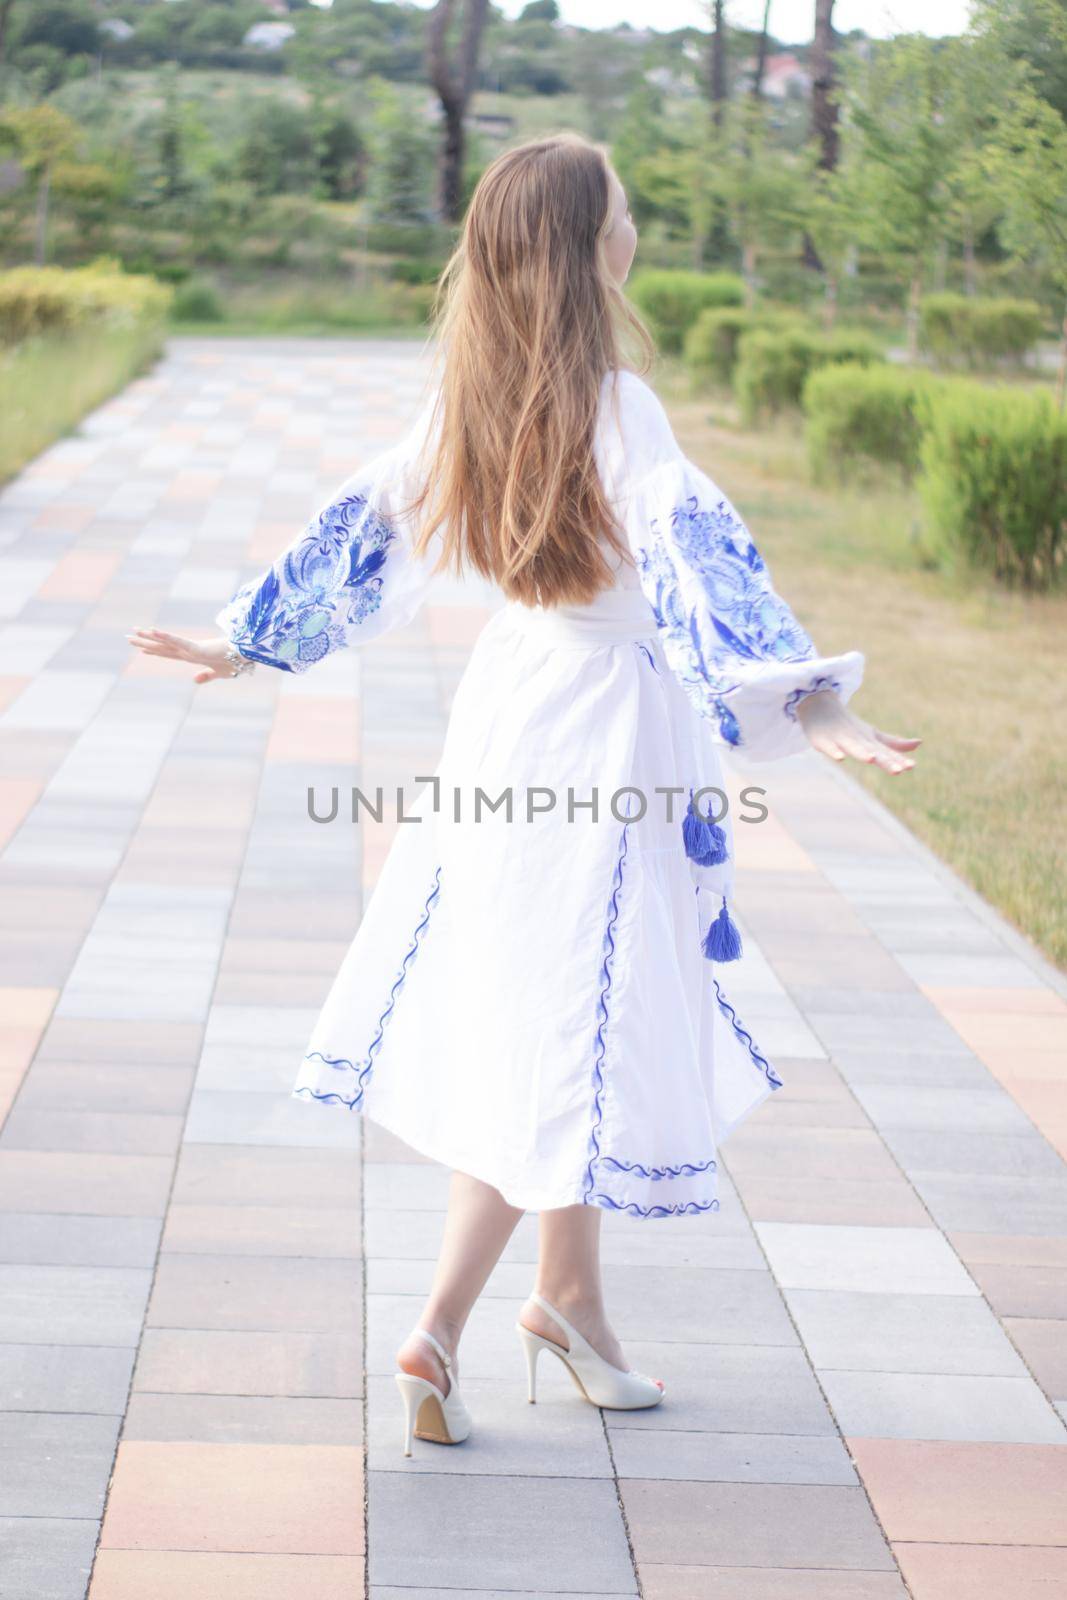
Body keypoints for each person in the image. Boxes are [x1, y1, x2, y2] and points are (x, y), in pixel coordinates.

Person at [127, 132, 920, 1459]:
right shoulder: (623, 408)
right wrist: (807, 694)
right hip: (611, 734)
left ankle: (570, 1303)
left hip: (510, 719)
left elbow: (358, 532)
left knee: (562, 1010)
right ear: (585, 248)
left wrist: (249, 640)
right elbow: (690, 555)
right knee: (570, 1025)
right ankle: (447, 1322)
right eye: (623, 213)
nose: (636, 231)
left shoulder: (467, 399)